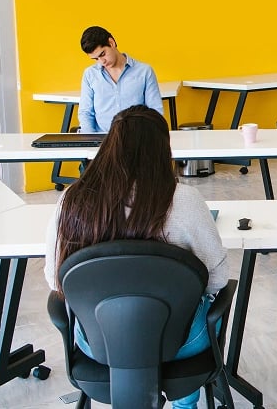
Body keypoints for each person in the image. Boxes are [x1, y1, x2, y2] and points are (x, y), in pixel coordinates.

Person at [44, 105, 228, 409]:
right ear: (162, 149)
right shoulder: (184, 201)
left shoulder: (71, 201)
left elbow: (55, 279)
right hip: (181, 343)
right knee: (203, 308)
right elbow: (217, 279)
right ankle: (185, 403)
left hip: (98, 344)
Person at [78, 26, 163, 133]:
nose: (101, 61)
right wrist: (91, 142)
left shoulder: (144, 72)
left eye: (102, 54)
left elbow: (155, 112)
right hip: (103, 142)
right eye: (96, 59)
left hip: (137, 139)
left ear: (111, 43)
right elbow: (86, 113)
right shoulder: (90, 75)